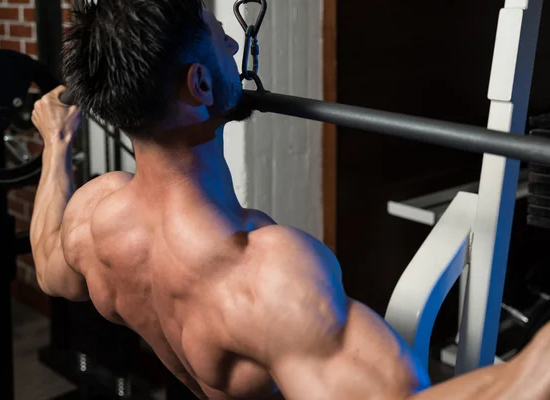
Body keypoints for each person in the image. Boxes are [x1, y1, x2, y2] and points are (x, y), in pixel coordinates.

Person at [31, 1, 550, 399]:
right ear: (201, 85)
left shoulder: (94, 216)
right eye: (223, 40)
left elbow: (49, 268)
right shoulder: (265, 279)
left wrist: (56, 145)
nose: (237, 50)